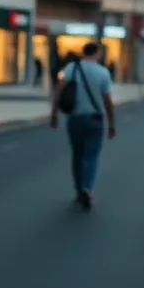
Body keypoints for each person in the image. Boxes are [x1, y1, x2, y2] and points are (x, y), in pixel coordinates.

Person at [49, 42, 117, 210]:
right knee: (91, 155)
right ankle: (87, 187)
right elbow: (107, 100)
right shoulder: (103, 72)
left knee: (77, 155)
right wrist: (112, 123)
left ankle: (78, 189)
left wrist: (54, 114)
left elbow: (59, 90)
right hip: (95, 119)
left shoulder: (73, 67)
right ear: (98, 53)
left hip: (75, 118)